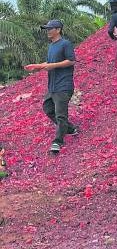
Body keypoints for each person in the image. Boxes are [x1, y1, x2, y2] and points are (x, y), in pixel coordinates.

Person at [25, 20, 79, 154]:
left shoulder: (65, 44)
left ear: (58, 30)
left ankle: (58, 142)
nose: (48, 31)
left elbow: (71, 60)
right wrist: (37, 67)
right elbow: (49, 63)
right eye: (47, 29)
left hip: (64, 85)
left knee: (61, 115)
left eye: (50, 29)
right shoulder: (51, 46)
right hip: (52, 86)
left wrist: (52, 66)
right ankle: (70, 129)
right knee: (48, 108)